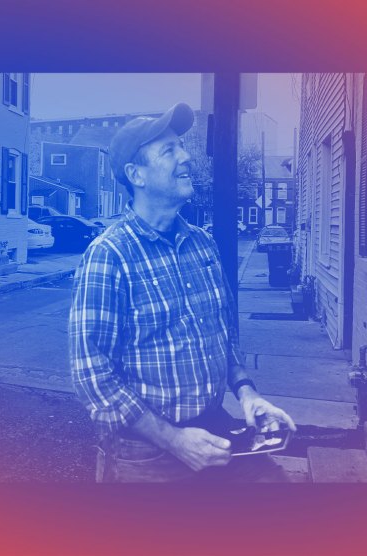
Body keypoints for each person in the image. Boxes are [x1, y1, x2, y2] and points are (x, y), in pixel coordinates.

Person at [69, 102, 296, 483]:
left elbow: (221, 335)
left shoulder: (202, 245)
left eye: (183, 147)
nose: (186, 157)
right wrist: (174, 440)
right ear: (136, 175)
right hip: (144, 456)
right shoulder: (109, 255)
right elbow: (91, 374)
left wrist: (247, 394)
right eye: (169, 150)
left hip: (213, 430)